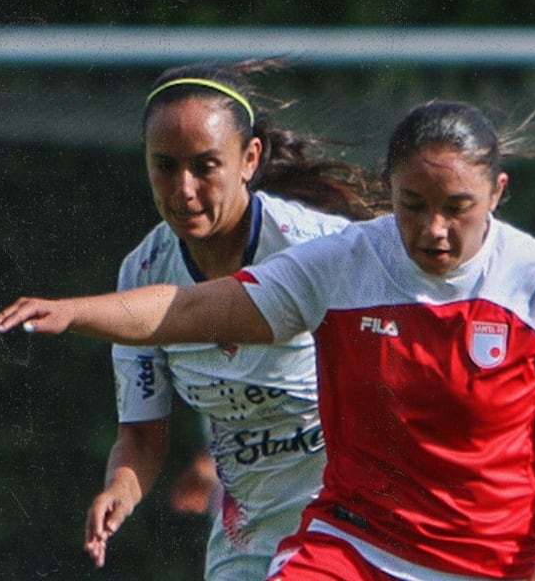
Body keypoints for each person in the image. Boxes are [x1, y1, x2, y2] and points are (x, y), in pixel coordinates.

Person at [0, 99, 535, 581]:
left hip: (486, 560)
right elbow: (191, 310)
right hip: (349, 544)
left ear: (497, 193)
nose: (434, 231)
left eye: (457, 208)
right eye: (412, 205)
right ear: (388, 190)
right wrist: (72, 312)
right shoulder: (343, 262)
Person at [77, 59, 383, 580]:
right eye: (165, 166)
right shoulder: (144, 270)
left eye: (205, 166)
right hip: (246, 531)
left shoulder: (321, 248)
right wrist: (120, 491)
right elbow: (142, 436)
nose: (184, 190)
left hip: (348, 517)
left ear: (249, 158)